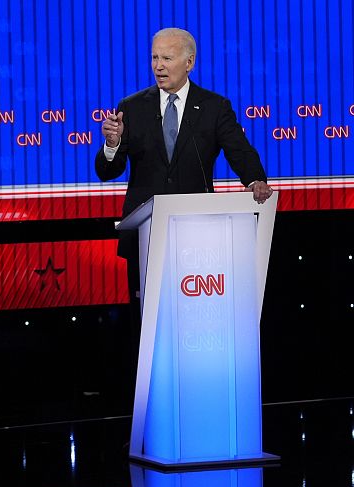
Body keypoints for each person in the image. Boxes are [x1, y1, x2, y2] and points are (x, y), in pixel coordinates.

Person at [94, 28, 274, 366]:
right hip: (146, 236)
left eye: (167, 58)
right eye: (154, 58)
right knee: (147, 324)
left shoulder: (213, 107)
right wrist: (113, 144)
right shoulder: (131, 108)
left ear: (189, 62)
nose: (158, 66)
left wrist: (254, 181)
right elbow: (108, 170)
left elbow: (240, 151)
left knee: (192, 321)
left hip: (199, 239)